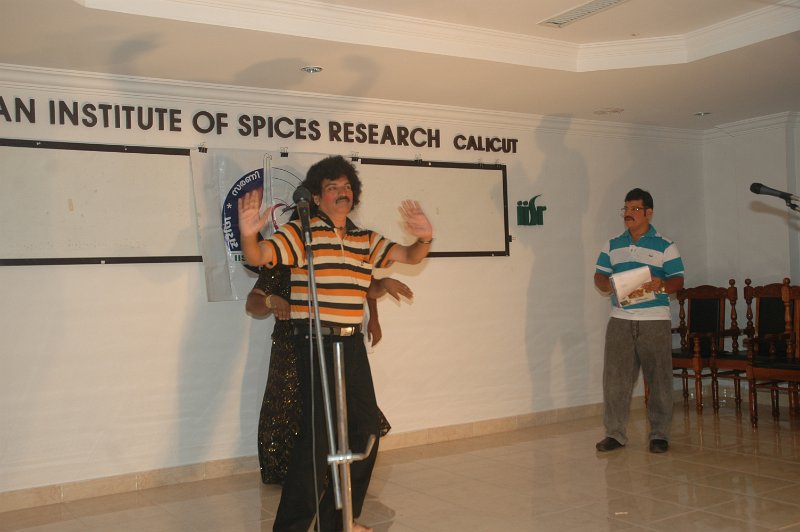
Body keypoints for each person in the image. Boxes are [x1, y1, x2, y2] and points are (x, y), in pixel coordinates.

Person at [238, 155, 433, 532]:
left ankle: (339, 521)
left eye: (346, 186)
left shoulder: (365, 239)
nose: (343, 192)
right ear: (316, 196)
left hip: (351, 344)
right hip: (315, 342)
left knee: (367, 431)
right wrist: (249, 235)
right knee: (319, 440)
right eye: (333, 188)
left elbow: (410, 256)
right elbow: (260, 255)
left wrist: (423, 237)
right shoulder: (301, 233)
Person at [246, 266, 411, 485]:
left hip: (331, 345)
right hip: (290, 347)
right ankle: (295, 476)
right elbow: (252, 302)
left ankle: (335, 473)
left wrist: (374, 317)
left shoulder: (336, 257)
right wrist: (270, 300)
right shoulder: (283, 261)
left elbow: (365, 286)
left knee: (343, 410)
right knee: (289, 410)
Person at [593, 188, 684, 454]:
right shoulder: (612, 245)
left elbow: (678, 280)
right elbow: (599, 276)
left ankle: (659, 435)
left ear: (648, 212)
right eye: (626, 209)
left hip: (654, 320)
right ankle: (615, 434)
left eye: (634, 209)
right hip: (620, 320)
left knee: (659, 380)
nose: (628, 214)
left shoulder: (666, 245)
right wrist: (607, 285)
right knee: (615, 379)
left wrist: (661, 284)